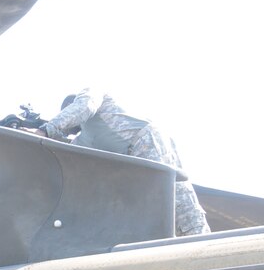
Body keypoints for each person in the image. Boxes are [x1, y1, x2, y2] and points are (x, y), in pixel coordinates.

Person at [39, 89, 210, 236]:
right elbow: (67, 154)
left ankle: (201, 242)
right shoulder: (86, 138)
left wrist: (46, 130)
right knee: (155, 217)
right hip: (134, 166)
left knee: (177, 202)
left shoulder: (95, 97)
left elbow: (83, 106)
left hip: (146, 142)